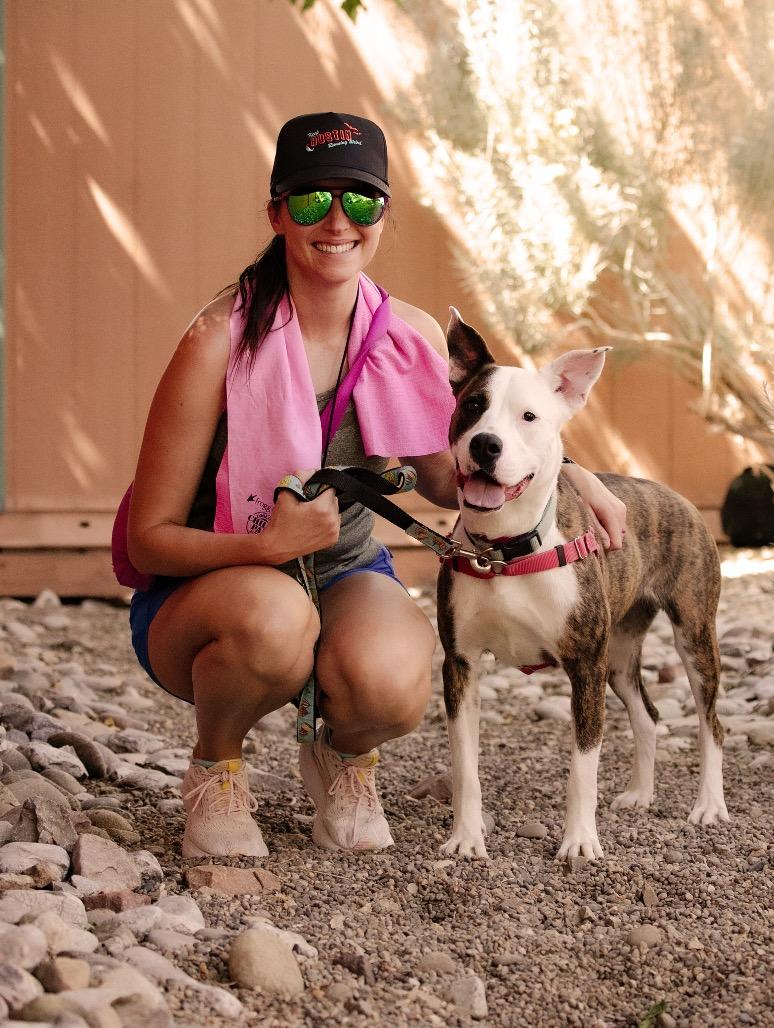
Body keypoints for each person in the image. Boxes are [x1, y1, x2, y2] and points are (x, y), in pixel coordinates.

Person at [124, 111, 628, 859]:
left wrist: (575, 471)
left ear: (383, 214)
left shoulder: (409, 336)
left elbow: (459, 478)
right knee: (276, 620)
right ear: (276, 212)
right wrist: (267, 545)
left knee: (398, 679)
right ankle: (216, 769)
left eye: (360, 202)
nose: (337, 221)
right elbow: (147, 538)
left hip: (343, 570)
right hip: (215, 592)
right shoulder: (215, 342)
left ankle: (341, 759)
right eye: (310, 200)